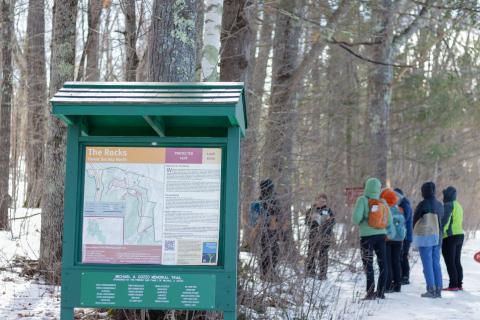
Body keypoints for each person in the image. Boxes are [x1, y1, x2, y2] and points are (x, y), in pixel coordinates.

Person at [352, 178, 392, 300]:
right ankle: (380, 292)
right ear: (379, 188)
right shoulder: (383, 202)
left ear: (367, 187)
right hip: (381, 236)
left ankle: (370, 293)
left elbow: (355, 219)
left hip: (366, 237)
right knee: (383, 264)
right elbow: (389, 221)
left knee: (368, 264)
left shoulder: (362, 200)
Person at [413, 181, 447, 298]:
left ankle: (431, 289)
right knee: (436, 263)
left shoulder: (423, 204)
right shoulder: (440, 204)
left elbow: (415, 220)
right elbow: (443, 220)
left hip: (426, 237)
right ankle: (438, 289)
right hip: (438, 237)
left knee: (427, 263)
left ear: (424, 191)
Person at [305, 193, 335, 279]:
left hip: (325, 235)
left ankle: (323, 274)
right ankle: (310, 272)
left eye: (324, 201)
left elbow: (333, 222)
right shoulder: (310, 210)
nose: (322, 203)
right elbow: (306, 222)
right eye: (320, 201)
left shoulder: (329, 210)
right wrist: (313, 220)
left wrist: (328, 221)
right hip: (313, 235)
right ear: (316, 201)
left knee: (323, 254)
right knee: (311, 254)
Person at [381, 188, 406, 293]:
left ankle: (388, 285)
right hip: (399, 239)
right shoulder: (400, 209)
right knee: (396, 261)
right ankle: (397, 285)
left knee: (388, 262)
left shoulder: (385, 209)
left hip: (388, 238)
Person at [257, 179, 283, 281]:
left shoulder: (274, 197)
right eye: (270, 187)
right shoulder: (263, 199)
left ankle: (269, 272)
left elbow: (278, 212)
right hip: (266, 229)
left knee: (274, 251)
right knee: (268, 251)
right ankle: (266, 274)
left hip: (273, 228)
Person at [441, 186, 464, 291]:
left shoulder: (448, 205)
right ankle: (459, 284)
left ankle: (453, 285)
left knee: (450, 261)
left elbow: (445, 220)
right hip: (460, 235)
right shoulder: (458, 205)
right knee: (456, 260)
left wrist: (441, 231)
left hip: (450, 236)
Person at [395, 188, 413, 285]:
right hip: (402, 235)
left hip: (406, 236)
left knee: (403, 256)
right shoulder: (401, 205)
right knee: (400, 256)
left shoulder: (405, 205)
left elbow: (404, 219)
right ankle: (402, 275)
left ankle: (405, 277)